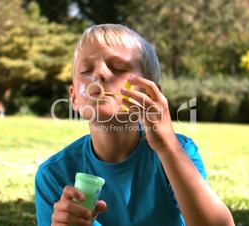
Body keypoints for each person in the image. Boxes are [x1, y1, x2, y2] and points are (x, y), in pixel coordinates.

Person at [35, 24, 234, 226]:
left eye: (118, 68)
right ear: (74, 97)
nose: (99, 75)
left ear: (150, 93)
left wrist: (168, 147)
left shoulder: (178, 152)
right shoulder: (54, 175)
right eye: (86, 70)